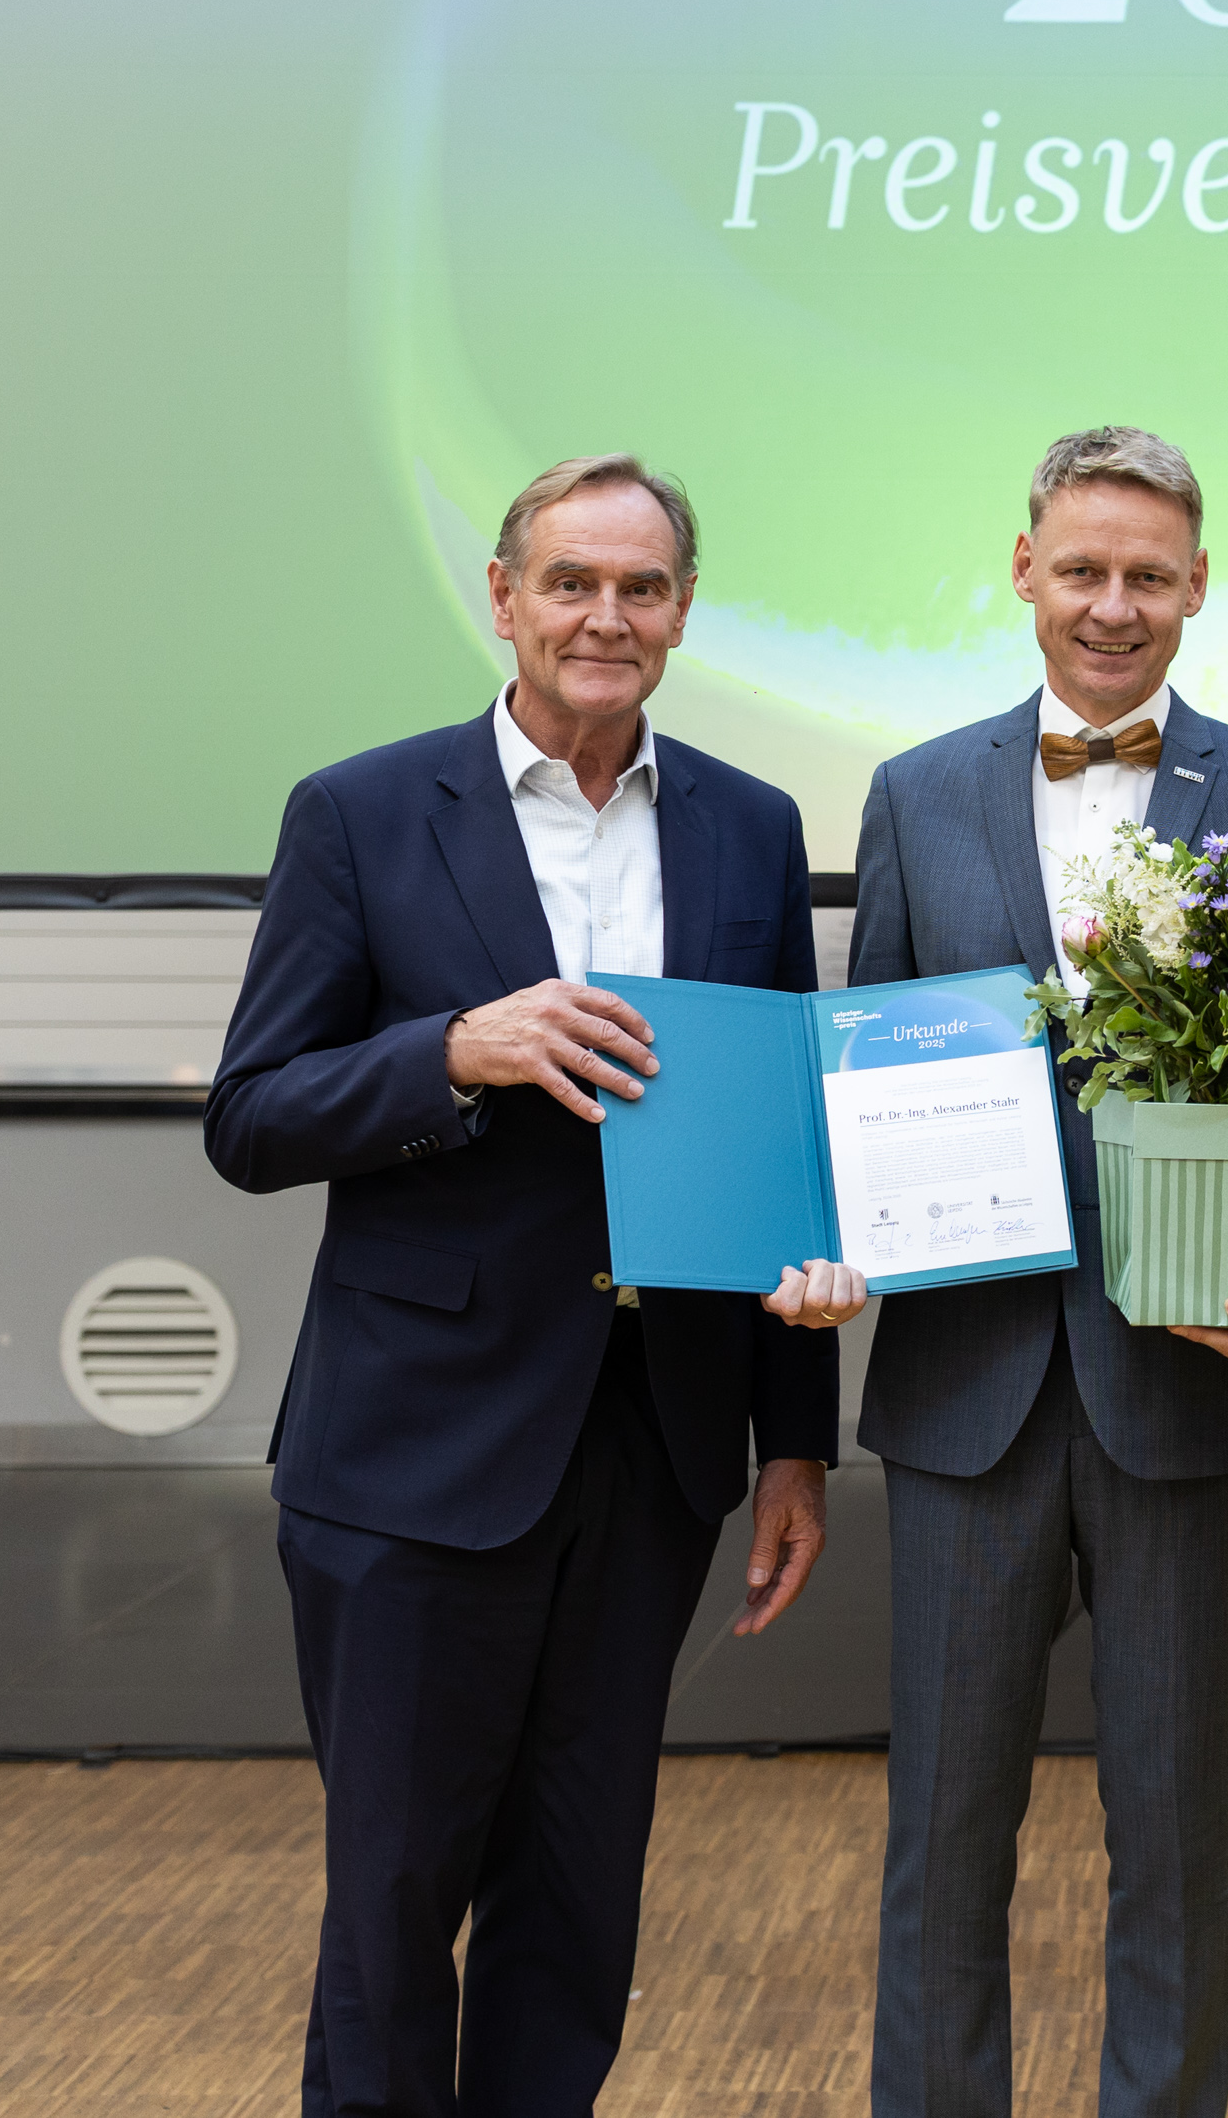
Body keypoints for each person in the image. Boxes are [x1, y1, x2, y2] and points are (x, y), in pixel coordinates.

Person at [206, 454, 867, 2116]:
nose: (605, 616)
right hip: (414, 1455)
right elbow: (252, 1115)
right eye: (571, 581)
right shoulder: (358, 811)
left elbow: (780, 1139)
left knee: (576, 1909)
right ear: (501, 597)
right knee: (392, 1909)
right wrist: (453, 1050)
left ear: (682, 615)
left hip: (650, 1455)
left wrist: (797, 1440)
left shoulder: (749, 823)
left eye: (640, 588)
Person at [846, 425, 1228, 2118]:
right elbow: (863, 1070)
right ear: (1021, 569)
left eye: (1148, 574)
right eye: (1081, 567)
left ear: (1199, 586)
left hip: (1188, 1383)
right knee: (942, 1837)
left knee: (1173, 1835)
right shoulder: (915, 791)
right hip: (965, 1393)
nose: (1111, 603)